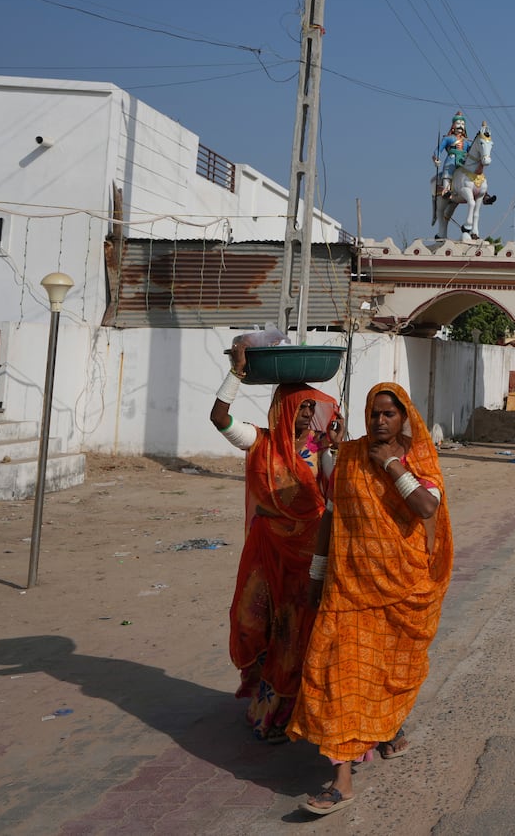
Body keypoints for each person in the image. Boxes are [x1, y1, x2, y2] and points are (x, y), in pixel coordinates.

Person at [288, 382, 453, 815]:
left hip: (403, 588)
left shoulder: (417, 457)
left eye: (389, 414)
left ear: (404, 418)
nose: (380, 421)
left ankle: (387, 726)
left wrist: (394, 467)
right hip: (348, 588)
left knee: (390, 669)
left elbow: (426, 508)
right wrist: (318, 574)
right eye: (375, 413)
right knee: (338, 674)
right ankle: (340, 781)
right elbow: (331, 515)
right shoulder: (350, 457)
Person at [210, 342, 339, 744]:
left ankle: (283, 714)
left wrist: (336, 445)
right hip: (266, 551)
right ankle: (265, 700)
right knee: (252, 623)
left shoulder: (320, 450)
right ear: (282, 409)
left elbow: (333, 492)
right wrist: (237, 372)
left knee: (293, 631)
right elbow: (219, 418)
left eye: (309, 407)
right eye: (298, 407)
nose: (305, 414)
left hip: (306, 555)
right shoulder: (258, 441)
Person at [433, 112, 468, 197]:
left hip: (463, 161)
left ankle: (483, 194)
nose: (461, 126)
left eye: (462, 124)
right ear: (453, 125)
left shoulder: (467, 141)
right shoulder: (448, 138)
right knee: (448, 172)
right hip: (451, 160)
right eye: (458, 123)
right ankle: (446, 190)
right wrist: (436, 159)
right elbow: (438, 150)